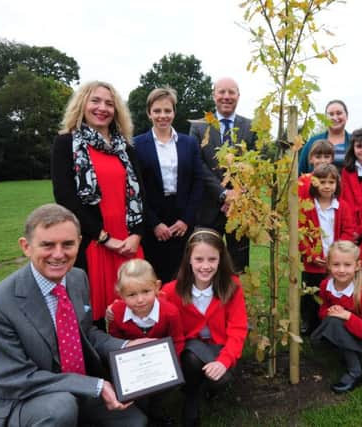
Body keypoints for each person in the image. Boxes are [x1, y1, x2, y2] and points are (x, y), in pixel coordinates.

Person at [0, 204, 147, 427]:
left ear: (79, 243)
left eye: (68, 244)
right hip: (26, 399)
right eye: (47, 245)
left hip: (77, 388)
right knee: (61, 408)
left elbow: (86, 333)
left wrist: (127, 346)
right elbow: (15, 378)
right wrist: (95, 386)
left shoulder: (77, 278)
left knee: (134, 422)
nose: (58, 254)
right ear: (26, 246)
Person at [51, 81, 146, 328]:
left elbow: (140, 194)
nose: (102, 108)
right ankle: (100, 364)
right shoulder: (65, 143)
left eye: (109, 103)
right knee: (93, 317)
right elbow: (65, 199)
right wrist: (104, 238)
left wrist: (137, 235)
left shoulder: (125, 148)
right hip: (93, 241)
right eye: (95, 101)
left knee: (135, 311)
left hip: (128, 243)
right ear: (82, 104)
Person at [160, 229, 248, 427]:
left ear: (220, 259)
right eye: (199, 259)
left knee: (221, 379)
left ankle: (207, 386)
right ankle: (191, 397)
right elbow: (146, 305)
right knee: (192, 356)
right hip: (189, 349)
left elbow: (238, 328)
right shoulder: (171, 290)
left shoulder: (231, 286)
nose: (205, 266)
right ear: (189, 259)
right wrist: (116, 310)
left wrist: (224, 361)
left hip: (219, 347)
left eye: (212, 259)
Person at [134, 87, 203, 283]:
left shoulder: (189, 143)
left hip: (182, 217)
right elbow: (136, 189)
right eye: (157, 111)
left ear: (174, 112)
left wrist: (186, 220)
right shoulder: (137, 145)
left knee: (183, 274)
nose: (162, 116)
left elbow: (197, 182)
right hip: (153, 217)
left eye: (167, 110)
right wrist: (154, 223)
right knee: (154, 275)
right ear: (149, 113)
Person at [189, 77, 256, 273]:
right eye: (221, 92)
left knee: (238, 265)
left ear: (238, 96)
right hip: (207, 208)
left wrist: (235, 196)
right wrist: (223, 193)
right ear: (214, 95)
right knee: (204, 263)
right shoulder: (199, 127)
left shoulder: (251, 127)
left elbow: (254, 166)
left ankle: (234, 300)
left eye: (231, 92)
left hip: (240, 208)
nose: (226, 97)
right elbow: (198, 164)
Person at [108, 259, 184, 426]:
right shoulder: (117, 313)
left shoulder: (169, 313)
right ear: (120, 294)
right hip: (133, 365)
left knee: (160, 392)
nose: (140, 300)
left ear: (157, 287)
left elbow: (177, 340)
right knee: (138, 395)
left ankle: (157, 412)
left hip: (160, 364)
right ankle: (141, 414)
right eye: (132, 294)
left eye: (146, 291)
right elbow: (114, 341)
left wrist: (172, 365)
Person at [310, 241, 362, 393]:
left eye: (347, 265)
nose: (341, 270)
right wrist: (331, 310)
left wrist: (347, 316)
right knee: (333, 321)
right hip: (344, 329)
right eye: (336, 265)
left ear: (357, 265)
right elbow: (323, 309)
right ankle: (344, 350)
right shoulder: (326, 285)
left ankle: (356, 372)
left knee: (335, 323)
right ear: (328, 265)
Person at [298, 164, 355, 335]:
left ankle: (328, 323)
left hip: (335, 261)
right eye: (322, 182)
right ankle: (308, 322)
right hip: (313, 262)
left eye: (331, 182)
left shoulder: (342, 206)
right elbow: (300, 233)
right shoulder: (307, 207)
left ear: (337, 184)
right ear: (314, 183)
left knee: (330, 292)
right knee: (310, 293)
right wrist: (311, 254)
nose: (327, 186)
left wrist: (337, 254)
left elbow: (348, 230)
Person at [298, 100, 351, 174]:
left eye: (339, 113)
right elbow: (301, 172)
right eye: (331, 114)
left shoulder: (355, 142)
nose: (335, 117)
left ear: (347, 116)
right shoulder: (312, 142)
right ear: (325, 118)